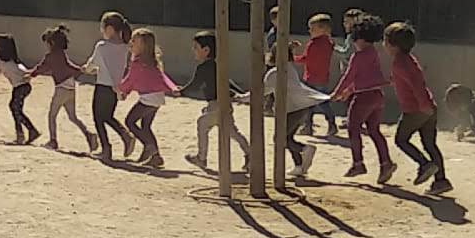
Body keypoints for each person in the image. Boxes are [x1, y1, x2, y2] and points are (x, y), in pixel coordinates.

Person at [241, 40, 328, 178]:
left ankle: (305, 149)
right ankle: (299, 166)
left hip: (292, 109)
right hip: (300, 107)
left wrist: (243, 98)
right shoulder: (289, 68)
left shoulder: (275, 73)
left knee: (280, 139)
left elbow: (261, 91)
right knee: (287, 137)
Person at [384, 22, 452, 194]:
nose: (384, 45)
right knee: (430, 144)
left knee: (401, 140)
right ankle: (441, 181)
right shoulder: (407, 59)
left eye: (385, 41)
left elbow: (417, 85)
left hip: (416, 110)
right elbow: (410, 80)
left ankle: (424, 164)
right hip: (428, 107)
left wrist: (423, 105)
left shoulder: (400, 63)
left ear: (393, 45)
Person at [331, 13, 395, 182]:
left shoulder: (357, 56)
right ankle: (386, 162)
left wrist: (337, 92)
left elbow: (349, 76)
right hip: (377, 95)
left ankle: (358, 163)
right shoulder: (373, 53)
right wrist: (347, 92)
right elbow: (366, 78)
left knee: (353, 128)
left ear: (358, 39)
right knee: (374, 130)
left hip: (363, 97)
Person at [175, 31, 248, 172]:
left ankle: (201, 158)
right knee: (232, 132)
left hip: (217, 104)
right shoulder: (216, 65)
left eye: (196, 47)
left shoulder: (203, 67)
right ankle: (250, 154)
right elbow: (227, 82)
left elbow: (195, 84)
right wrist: (240, 93)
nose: (193, 50)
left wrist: (181, 92)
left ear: (206, 50)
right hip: (223, 104)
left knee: (202, 124)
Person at [116, 28, 178, 169]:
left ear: (143, 46)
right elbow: (159, 77)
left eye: (134, 41)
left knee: (130, 121)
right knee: (146, 126)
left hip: (148, 99)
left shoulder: (138, 63)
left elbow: (130, 80)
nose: (131, 43)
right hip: (156, 98)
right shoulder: (151, 62)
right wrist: (172, 87)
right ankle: (156, 157)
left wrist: (120, 88)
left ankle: (149, 147)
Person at [28, 25, 97, 152]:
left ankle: (53, 141)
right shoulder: (62, 54)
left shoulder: (50, 56)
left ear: (52, 43)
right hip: (71, 87)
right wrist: (81, 70)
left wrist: (31, 75)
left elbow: (41, 67)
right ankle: (89, 135)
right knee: (73, 117)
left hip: (61, 89)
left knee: (52, 115)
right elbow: (69, 66)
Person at [84, 11, 136, 161]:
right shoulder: (125, 47)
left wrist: (87, 69)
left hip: (102, 86)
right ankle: (125, 136)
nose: (102, 31)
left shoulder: (101, 46)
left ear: (110, 28)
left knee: (98, 117)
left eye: (103, 27)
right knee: (108, 116)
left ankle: (106, 149)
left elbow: (91, 65)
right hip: (116, 88)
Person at [292, 13, 340, 136]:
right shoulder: (329, 43)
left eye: (313, 28)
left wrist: (292, 58)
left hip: (311, 78)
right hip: (323, 78)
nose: (310, 31)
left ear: (323, 29)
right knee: (321, 103)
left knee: (310, 103)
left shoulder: (313, 44)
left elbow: (306, 59)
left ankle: (308, 126)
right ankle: (329, 124)